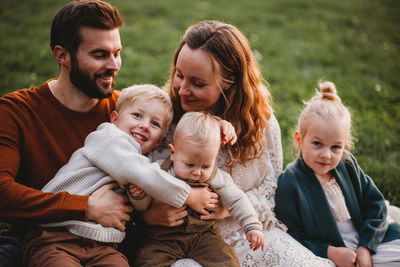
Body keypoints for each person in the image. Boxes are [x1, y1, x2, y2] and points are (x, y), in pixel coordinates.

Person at [136, 20, 336, 266]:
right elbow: (136, 176)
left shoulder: (259, 122)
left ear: (229, 84)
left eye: (198, 83)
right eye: (179, 75)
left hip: (246, 233)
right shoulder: (163, 117)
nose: (182, 89)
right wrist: (148, 215)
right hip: (176, 241)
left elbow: (270, 185)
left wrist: (226, 208)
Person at [23, 85, 220, 266]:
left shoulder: (140, 161)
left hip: (102, 247)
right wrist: (189, 195)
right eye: (136, 115)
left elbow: (138, 204)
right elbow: (141, 172)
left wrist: (139, 197)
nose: (144, 125)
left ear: (160, 141)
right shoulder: (108, 139)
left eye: (155, 123)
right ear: (114, 118)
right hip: (56, 234)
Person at [0, 1, 131, 266]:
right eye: (99, 55)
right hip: (35, 238)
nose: (114, 65)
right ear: (63, 55)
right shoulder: (16, 111)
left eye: (117, 53)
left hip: (107, 242)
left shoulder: (128, 113)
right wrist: (85, 207)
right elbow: (2, 192)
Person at [275, 81, 400, 267]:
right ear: (299, 140)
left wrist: (366, 248)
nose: (326, 155)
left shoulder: (347, 165)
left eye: (336, 147)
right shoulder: (290, 183)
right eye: (317, 144)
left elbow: (376, 204)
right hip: (336, 250)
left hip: (370, 239)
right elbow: (291, 236)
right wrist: (330, 252)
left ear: (345, 146)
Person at [134, 111, 264, 266]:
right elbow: (143, 204)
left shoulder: (217, 177)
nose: (197, 172)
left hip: (202, 235)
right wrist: (139, 196)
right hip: (162, 237)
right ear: (173, 153)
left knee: (226, 259)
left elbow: (236, 199)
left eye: (206, 165)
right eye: (189, 165)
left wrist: (252, 226)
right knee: (147, 260)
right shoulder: (159, 171)